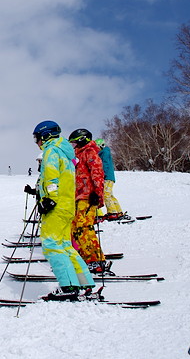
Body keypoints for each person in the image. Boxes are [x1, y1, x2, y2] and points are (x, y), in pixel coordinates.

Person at [24, 121, 96, 301]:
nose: (37, 143)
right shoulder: (66, 153)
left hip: (56, 206)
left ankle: (68, 286)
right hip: (67, 206)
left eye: (37, 138)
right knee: (65, 245)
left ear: (45, 135)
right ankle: (84, 283)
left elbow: (51, 176)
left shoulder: (52, 151)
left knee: (51, 245)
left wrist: (49, 199)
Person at [68, 129, 111, 275]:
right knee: (75, 229)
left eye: (74, 143)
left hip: (88, 196)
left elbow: (97, 173)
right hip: (78, 197)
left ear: (82, 140)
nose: (73, 146)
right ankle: (87, 258)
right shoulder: (78, 155)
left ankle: (96, 260)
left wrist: (97, 194)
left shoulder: (90, 152)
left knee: (84, 227)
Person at [94, 139, 126, 221]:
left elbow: (105, 164)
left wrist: (102, 174)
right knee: (110, 194)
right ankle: (118, 211)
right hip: (109, 177)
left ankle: (112, 212)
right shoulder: (103, 153)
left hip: (107, 177)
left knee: (106, 194)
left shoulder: (104, 152)